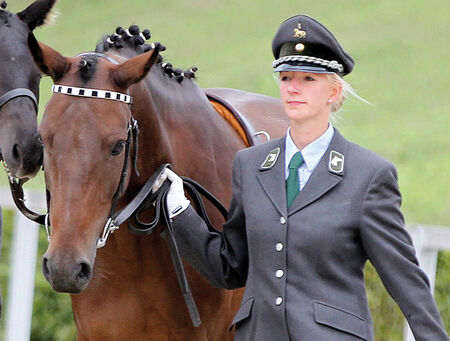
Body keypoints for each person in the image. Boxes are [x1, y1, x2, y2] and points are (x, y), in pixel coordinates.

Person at [157, 14, 448, 341]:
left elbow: (405, 280)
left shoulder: (369, 175)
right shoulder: (250, 166)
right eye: (286, 77)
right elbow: (229, 267)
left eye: (308, 79)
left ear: (334, 92)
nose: (293, 88)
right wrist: (179, 213)